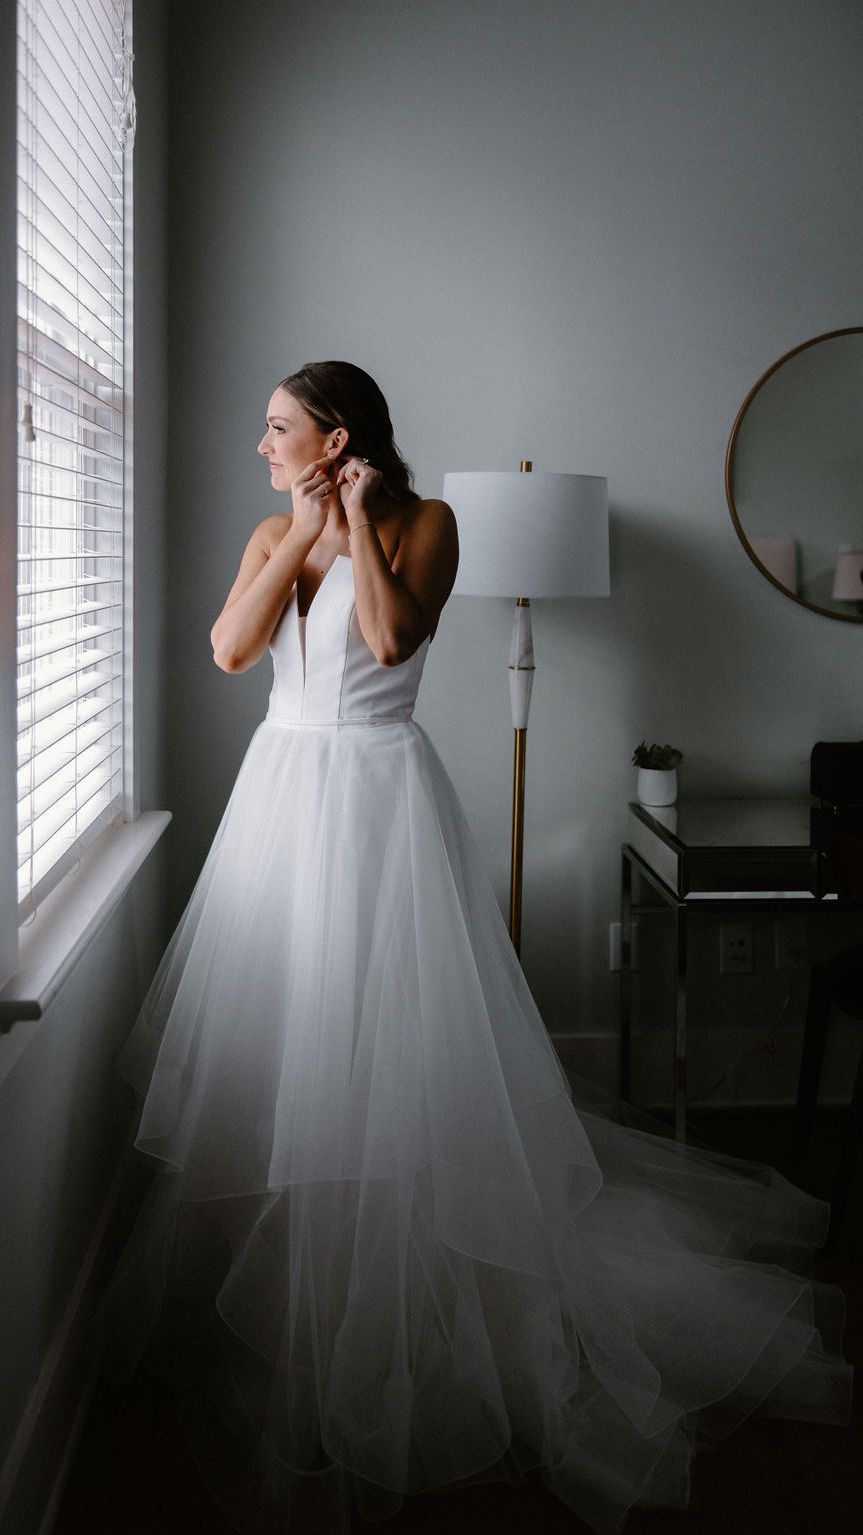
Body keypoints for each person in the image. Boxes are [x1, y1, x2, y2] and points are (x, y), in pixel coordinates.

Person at [100, 362, 851, 1534]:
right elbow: (231, 654)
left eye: (279, 428)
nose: (260, 443)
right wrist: (300, 532)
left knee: (382, 1035)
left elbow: (393, 642)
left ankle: (411, 1276)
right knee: (288, 1036)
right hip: (283, 797)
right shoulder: (271, 524)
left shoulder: (426, 522)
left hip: (380, 801)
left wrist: (350, 520)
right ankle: (301, 1267)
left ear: (336, 435)